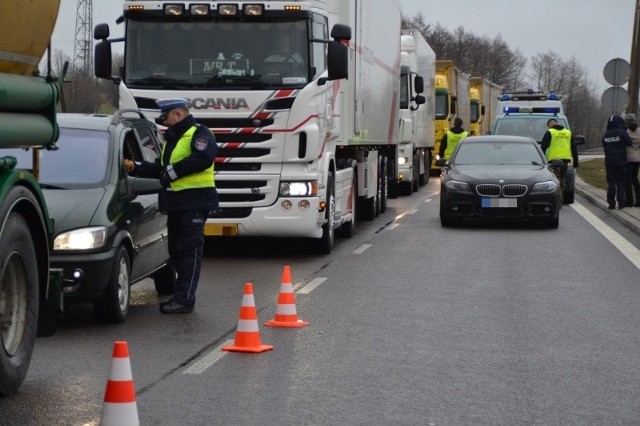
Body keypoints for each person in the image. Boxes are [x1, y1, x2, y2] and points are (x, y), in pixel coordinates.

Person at [123, 98, 218, 314]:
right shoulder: (172, 140)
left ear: (178, 114)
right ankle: (181, 294)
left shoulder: (199, 133)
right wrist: (134, 167)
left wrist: (173, 172)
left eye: (166, 117)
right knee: (175, 250)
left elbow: (204, 157)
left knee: (189, 250)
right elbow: (161, 168)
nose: (164, 122)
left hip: (194, 202)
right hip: (176, 204)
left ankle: (185, 299)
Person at [540, 118, 579, 203]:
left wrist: (540, 159)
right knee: (562, 179)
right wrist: (576, 162)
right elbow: (574, 148)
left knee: (556, 180)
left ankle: (557, 200)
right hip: (565, 161)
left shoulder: (550, 132)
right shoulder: (568, 133)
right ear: (557, 123)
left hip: (554, 161)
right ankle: (560, 199)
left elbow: (543, 147)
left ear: (549, 126)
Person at [601, 114, 633, 209]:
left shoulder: (606, 134)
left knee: (611, 182)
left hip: (609, 161)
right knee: (621, 182)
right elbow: (629, 143)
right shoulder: (622, 132)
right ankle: (621, 203)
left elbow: (604, 145)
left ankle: (611, 203)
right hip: (621, 161)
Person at [624, 113, 640, 207]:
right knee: (635, 179)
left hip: (629, 158)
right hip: (637, 158)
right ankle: (639, 199)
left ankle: (629, 201)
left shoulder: (626, 132)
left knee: (628, 180)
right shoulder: (639, 131)